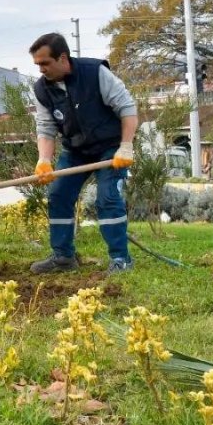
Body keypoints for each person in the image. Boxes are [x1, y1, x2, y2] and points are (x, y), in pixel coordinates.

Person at [27, 33, 138, 274]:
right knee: (58, 194)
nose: (41, 70)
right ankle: (63, 257)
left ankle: (121, 260)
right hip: (76, 150)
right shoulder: (42, 90)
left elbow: (127, 109)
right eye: (37, 65)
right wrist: (44, 160)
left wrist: (126, 145)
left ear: (62, 58)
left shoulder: (95, 73)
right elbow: (46, 128)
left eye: (45, 63)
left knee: (107, 198)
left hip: (111, 148)